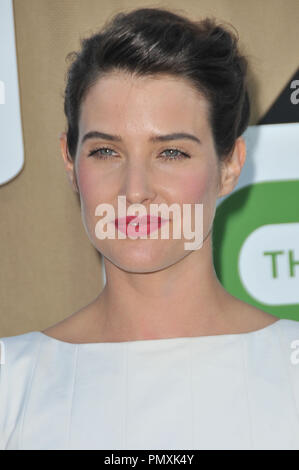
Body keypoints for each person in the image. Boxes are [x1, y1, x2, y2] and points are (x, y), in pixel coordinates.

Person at [0, 6, 298, 450]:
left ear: (230, 165)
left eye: (172, 153)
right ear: (70, 160)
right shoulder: (10, 384)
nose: (134, 190)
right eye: (105, 151)